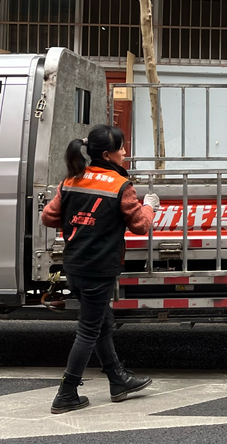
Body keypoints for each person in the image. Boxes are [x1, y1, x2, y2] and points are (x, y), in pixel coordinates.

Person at [40, 125, 160, 414]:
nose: (124, 152)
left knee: (102, 321)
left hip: (76, 264)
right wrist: (150, 206)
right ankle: (66, 393)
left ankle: (118, 380)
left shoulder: (71, 180)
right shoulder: (120, 186)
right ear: (107, 154)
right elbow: (140, 225)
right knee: (89, 329)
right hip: (99, 267)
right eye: (121, 148)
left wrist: (79, 220)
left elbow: (48, 217)